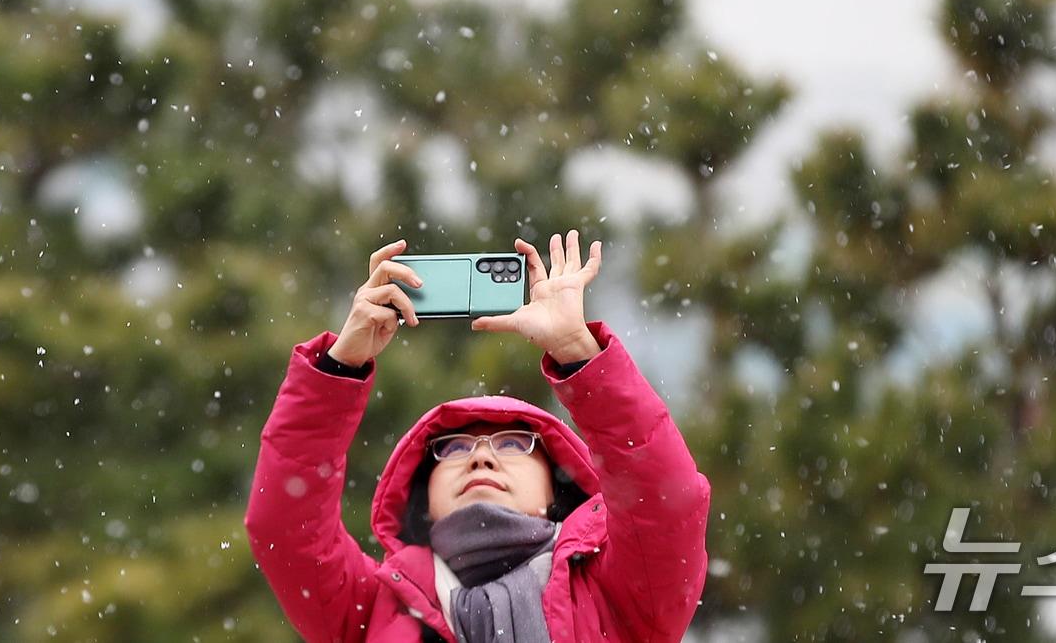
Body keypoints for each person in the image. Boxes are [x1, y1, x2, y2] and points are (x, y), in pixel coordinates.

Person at [244, 230, 711, 643]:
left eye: (512, 444)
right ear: (422, 497)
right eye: (453, 448)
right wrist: (339, 367)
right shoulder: (370, 609)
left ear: (557, 490)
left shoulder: (619, 594)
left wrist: (577, 353)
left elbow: (664, 503)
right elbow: (285, 527)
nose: (480, 459)